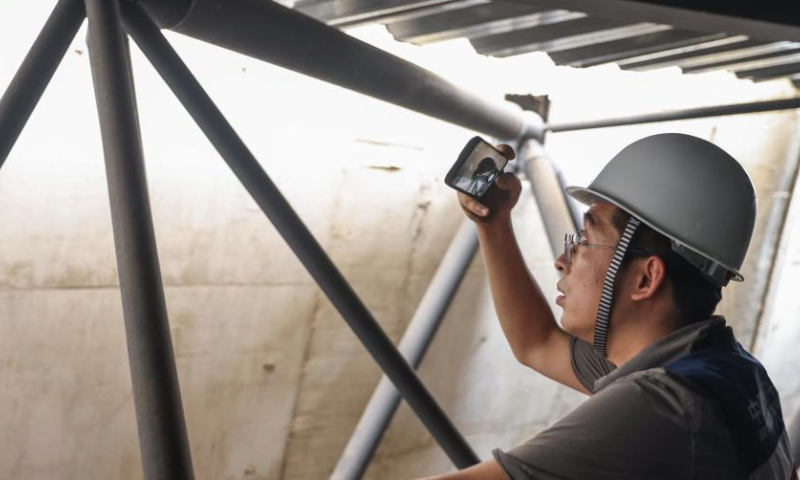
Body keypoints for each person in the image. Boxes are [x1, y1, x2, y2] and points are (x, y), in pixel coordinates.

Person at [423, 133, 796, 479]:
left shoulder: (660, 407)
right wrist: (494, 224)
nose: (562, 260)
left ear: (646, 279)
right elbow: (536, 342)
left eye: (585, 239)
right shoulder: (724, 369)